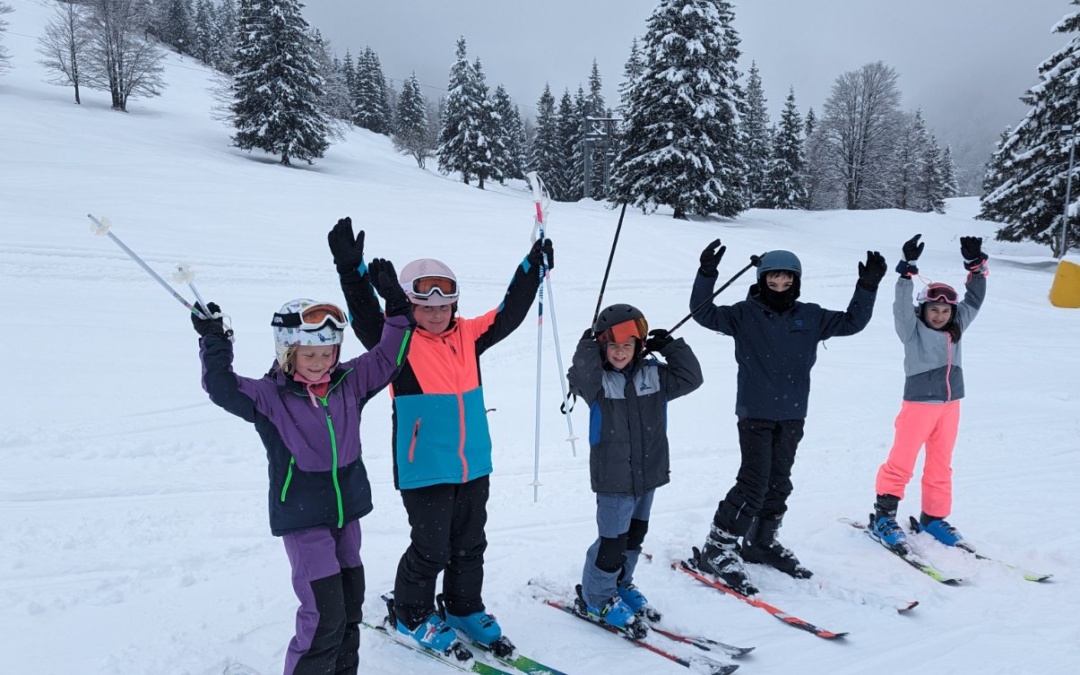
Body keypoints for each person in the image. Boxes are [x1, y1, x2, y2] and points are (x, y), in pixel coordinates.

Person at [326, 217, 552, 655]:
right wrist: (350, 271)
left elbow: (510, 312)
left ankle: (464, 607)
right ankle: (411, 612)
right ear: (410, 306)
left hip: (473, 461)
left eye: (443, 306)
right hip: (425, 465)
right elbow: (368, 318)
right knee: (430, 547)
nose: (434, 313)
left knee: (470, 543)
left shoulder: (468, 334)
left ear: (454, 306)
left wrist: (532, 267)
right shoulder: (398, 344)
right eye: (424, 306)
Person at [191, 270, 415, 675]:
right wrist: (214, 339)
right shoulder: (270, 397)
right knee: (323, 617)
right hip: (303, 519)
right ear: (287, 353)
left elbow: (388, 358)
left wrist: (398, 310)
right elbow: (221, 387)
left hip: (347, 516)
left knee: (349, 612)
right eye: (308, 354)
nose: (320, 362)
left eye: (327, 352)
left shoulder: (349, 382)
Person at [688, 240, 887, 594]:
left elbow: (853, 322)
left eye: (787, 282)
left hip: (793, 414)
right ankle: (717, 547)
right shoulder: (743, 314)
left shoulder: (810, 316)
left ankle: (760, 542)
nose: (779, 288)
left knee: (779, 480)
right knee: (754, 481)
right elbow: (702, 313)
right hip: (755, 412)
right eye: (772, 282)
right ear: (762, 281)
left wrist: (867, 287)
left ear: (796, 282)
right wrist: (707, 273)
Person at [567, 304, 704, 635]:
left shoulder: (655, 376)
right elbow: (580, 374)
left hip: (648, 473)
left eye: (627, 345)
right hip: (613, 478)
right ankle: (595, 598)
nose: (619, 352)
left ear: (639, 346)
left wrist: (671, 346)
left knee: (633, 537)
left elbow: (692, 377)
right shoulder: (598, 384)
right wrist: (587, 345)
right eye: (612, 345)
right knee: (612, 543)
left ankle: (620, 584)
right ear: (603, 347)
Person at [869, 235, 988, 553]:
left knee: (940, 463)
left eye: (945, 310)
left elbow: (974, 299)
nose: (939, 315)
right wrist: (906, 271)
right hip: (919, 405)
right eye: (933, 309)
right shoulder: (912, 330)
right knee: (902, 461)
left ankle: (933, 518)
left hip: (950, 406)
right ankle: (883, 517)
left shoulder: (957, 325)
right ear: (923, 309)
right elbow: (900, 308)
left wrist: (976, 267)